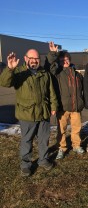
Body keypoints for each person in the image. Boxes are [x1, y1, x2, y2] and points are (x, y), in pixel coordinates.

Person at [0, 49, 58, 177]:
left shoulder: (44, 73)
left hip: (44, 113)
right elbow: (4, 82)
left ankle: (43, 160)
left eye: (36, 59)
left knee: (44, 139)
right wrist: (10, 69)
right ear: (26, 58)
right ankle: (25, 164)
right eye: (31, 58)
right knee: (27, 140)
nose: (34, 61)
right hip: (27, 114)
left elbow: (51, 91)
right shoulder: (19, 72)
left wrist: (54, 106)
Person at [46, 42, 85, 159]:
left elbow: (83, 88)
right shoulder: (56, 73)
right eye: (62, 60)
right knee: (61, 130)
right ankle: (61, 148)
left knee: (77, 128)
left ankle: (76, 145)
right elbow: (49, 67)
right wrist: (53, 53)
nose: (65, 61)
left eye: (67, 59)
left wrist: (82, 101)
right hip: (62, 108)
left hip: (76, 107)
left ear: (70, 60)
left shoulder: (77, 74)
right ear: (59, 61)